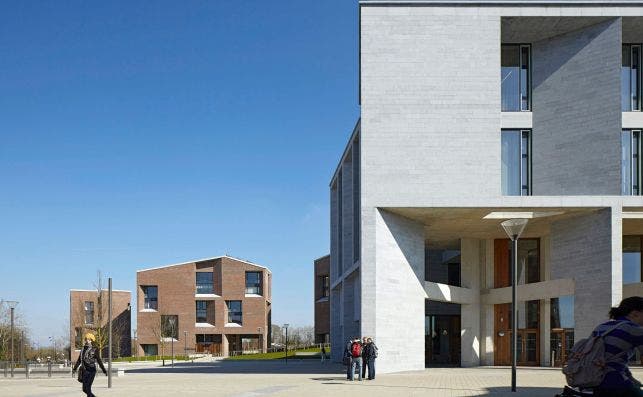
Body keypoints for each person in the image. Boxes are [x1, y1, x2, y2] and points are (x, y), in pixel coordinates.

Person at [591, 297, 643, 397]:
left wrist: (631, 379)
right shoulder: (635, 329)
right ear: (635, 313)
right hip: (617, 383)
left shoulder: (601, 327)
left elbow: (613, 358)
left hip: (595, 382)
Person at [73, 333, 107, 397]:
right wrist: (74, 369)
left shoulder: (95, 349)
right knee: (84, 389)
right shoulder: (83, 349)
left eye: (88, 339)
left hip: (91, 371)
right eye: (86, 339)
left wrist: (104, 370)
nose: (87, 340)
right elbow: (79, 360)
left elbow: (99, 360)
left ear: (91, 340)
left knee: (88, 388)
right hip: (84, 371)